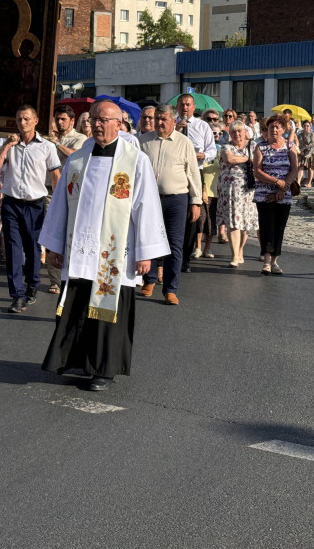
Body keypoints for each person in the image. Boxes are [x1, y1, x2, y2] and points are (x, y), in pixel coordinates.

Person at [39, 99, 169, 391]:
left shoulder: (135, 160)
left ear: (119, 124)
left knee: (108, 308)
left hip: (115, 253)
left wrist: (146, 253)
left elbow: (146, 207)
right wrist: (55, 246)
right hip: (81, 250)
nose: (97, 124)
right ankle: (71, 359)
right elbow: (60, 205)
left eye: (103, 120)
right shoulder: (77, 159)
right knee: (77, 304)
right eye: (93, 119)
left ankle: (103, 370)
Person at [0, 105, 61, 313]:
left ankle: (32, 285)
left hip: (35, 204)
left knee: (33, 249)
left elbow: (56, 175)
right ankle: (17, 295)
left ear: (36, 121)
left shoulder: (46, 147)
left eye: (26, 119)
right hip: (11, 203)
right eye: (19, 119)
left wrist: (57, 205)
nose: (22, 123)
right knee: (13, 249)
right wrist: (5, 146)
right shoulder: (9, 144)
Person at [137, 104, 201, 304]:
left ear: (174, 121)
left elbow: (192, 173)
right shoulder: (143, 141)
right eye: (157, 118)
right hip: (150, 198)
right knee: (149, 240)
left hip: (176, 199)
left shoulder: (184, 143)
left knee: (174, 244)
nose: (159, 122)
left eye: (164, 119)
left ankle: (170, 289)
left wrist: (196, 201)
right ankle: (150, 279)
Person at [43, 103, 86, 294]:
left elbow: (76, 155)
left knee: (70, 232)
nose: (60, 123)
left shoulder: (80, 138)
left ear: (72, 121)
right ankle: (54, 280)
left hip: (71, 191)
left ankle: (72, 274)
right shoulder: (48, 137)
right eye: (57, 119)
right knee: (52, 233)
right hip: (48, 190)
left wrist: (56, 144)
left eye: (64, 120)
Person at [253, 114, 298, 275]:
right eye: (271, 127)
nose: (274, 129)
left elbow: (294, 169)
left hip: (284, 194)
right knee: (267, 227)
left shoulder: (289, 146)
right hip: (264, 194)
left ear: (284, 129)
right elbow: (257, 171)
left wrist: (282, 188)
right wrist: (275, 182)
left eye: (278, 127)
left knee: (279, 228)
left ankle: (275, 261)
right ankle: (266, 260)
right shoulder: (260, 147)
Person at [176, 94, 217, 273]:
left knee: (193, 214)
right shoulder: (173, 124)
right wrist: (176, 130)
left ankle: (186, 258)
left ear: (193, 108)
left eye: (188, 105)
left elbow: (212, 150)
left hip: (195, 171)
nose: (185, 107)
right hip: (175, 172)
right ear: (177, 107)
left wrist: (204, 156)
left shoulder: (202, 126)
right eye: (182, 104)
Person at [217, 121, 257, 267]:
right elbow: (229, 159)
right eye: (234, 132)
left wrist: (249, 160)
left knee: (245, 222)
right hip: (230, 191)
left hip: (248, 190)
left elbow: (259, 161)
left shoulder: (252, 146)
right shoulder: (226, 146)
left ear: (245, 132)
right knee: (233, 221)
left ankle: (240, 251)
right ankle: (234, 255)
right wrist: (248, 160)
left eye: (240, 131)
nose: (237, 134)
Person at [296, 120, 314, 187]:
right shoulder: (300, 135)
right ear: (303, 127)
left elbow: (312, 144)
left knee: (310, 168)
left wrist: (304, 148)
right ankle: (298, 182)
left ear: (310, 126)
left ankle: (309, 182)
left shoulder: (312, 134)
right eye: (305, 126)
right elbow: (298, 143)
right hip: (302, 153)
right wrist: (300, 150)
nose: (306, 127)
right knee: (301, 167)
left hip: (311, 153)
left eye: (308, 126)